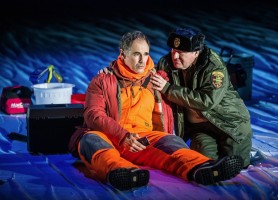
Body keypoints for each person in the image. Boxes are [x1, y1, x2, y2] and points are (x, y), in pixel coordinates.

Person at [69, 30, 243, 191]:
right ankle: (122, 172)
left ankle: (202, 167)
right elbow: (93, 115)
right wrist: (122, 135)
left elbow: (185, 83)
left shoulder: (156, 79)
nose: (142, 60)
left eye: (145, 54)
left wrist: (167, 86)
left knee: (170, 142)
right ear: (123, 54)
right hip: (110, 135)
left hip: (142, 139)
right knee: (90, 140)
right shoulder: (103, 80)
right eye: (136, 54)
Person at [152, 27, 253, 168]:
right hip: (201, 129)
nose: (175, 56)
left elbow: (207, 100)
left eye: (181, 53)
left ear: (195, 52)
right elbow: (148, 76)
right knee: (203, 165)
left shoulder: (213, 66)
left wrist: (168, 89)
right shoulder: (167, 63)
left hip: (230, 126)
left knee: (236, 166)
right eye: (173, 51)